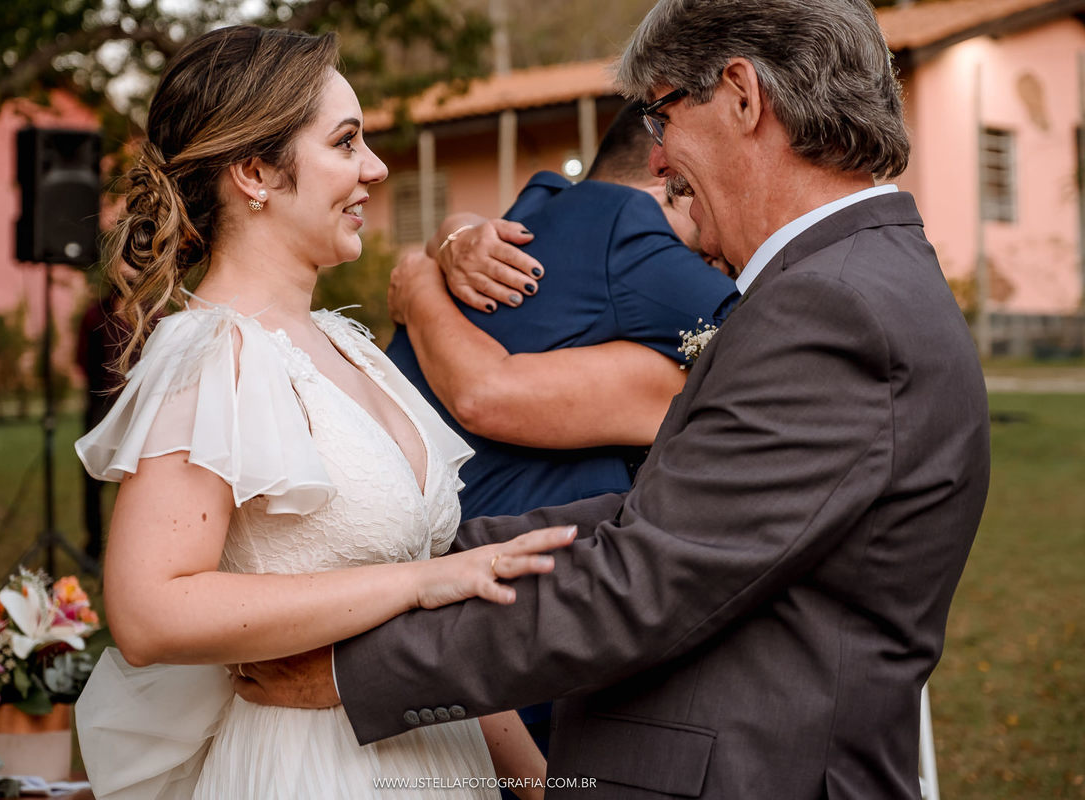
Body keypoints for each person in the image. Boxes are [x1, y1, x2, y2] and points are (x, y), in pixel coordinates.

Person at [234, 1, 992, 798]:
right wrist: (412, 564)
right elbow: (658, 522)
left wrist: (352, 668)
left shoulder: (835, 307)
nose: (658, 161)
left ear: (741, 94)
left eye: (661, 115)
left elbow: (643, 580)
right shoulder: (845, 281)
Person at [72, 25, 574, 799]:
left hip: (437, 758)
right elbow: (149, 610)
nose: (374, 168)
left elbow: (435, 602)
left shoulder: (349, 345)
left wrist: (539, 784)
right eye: (346, 143)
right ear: (253, 173)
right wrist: (418, 585)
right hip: (311, 767)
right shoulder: (213, 355)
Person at [385, 103, 736, 756]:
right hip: (515, 610)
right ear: (670, 179)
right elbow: (769, 330)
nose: (717, 251)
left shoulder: (536, 211)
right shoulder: (634, 233)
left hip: (413, 597)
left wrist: (437, 252)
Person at [387, 101, 738, 523]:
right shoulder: (629, 224)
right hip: (519, 547)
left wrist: (430, 261)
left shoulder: (531, 218)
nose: (717, 257)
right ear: (663, 179)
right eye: (701, 192)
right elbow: (761, 326)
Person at [74, 286, 128, 563]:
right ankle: (93, 546)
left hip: (135, 409)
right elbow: (82, 360)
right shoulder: (95, 315)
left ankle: (125, 548)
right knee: (93, 480)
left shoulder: (152, 315)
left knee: (130, 480)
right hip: (100, 406)